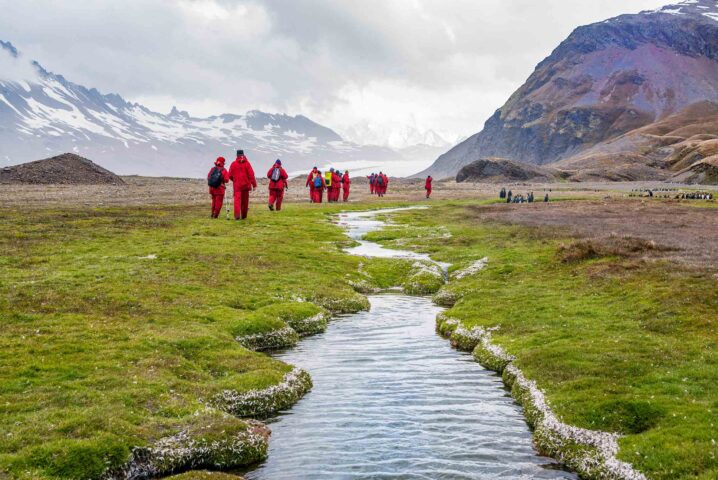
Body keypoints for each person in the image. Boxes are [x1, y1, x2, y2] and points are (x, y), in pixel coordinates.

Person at [228, 149, 257, 220]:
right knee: (245, 201)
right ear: (243, 155)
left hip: (237, 186)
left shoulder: (233, 164)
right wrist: (254, 184)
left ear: (237, 155)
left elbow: (230, 175)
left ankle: (237, 215)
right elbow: (251, 175)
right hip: (246, 185)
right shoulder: (247, 163)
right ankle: (244, 216)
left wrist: (235, 180)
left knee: (237, 201)